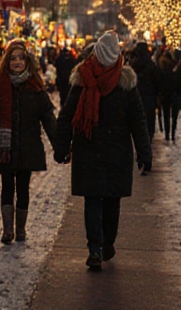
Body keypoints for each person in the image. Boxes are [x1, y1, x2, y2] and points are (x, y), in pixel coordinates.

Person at [54, 32, 152, 271]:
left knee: (95, 199)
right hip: (115, 151)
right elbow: (138, 121)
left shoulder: (83, 78)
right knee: (109, 200)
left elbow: (66, 117)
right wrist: (144, 153)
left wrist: (62, 147)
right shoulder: (125, 82)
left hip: (89, 147)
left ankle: (97, 247)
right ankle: (103, 245)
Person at [0, 40, 58, 244]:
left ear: (27, 62)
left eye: (21, 58)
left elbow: (48, 116)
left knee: (24, 187)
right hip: (5, 146)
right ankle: (8, 230)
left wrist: (57, 142)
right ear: (6, 62)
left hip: (27, 145)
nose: (17, 62)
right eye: (13, 58)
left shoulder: (35, 87)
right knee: (7, 186)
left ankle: (21, 229)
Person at [130, 41, 160, 139]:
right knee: (150, 118)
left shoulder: (133, 64)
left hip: (137, 95)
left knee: (138, 117)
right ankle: (149, 136)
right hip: (150, 95)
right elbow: (157, 81)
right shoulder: (151, 64)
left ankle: (139, 136)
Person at [156, 51, 181, 143]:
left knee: (166, 115)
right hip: (175, 93)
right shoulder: (176, 68)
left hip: (164, 93)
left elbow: (158, 82)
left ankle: (167, 134)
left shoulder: (160, 69)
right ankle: (173, 134)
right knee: (174, 116)